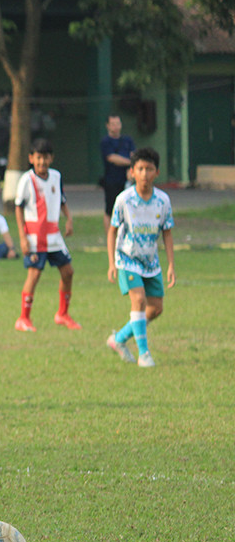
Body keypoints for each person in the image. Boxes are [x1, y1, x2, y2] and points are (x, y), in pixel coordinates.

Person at [105, 147, 175, 368]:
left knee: (155, 308)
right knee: (139, 300)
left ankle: (118, 339)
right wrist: (111, 263)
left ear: (157, 172)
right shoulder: (124, 200)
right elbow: (112, 231)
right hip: (127, 258)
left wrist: (171, 264)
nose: (145, 173)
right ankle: (144, 354)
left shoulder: (163, 201)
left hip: (151, 262)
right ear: (132, 172)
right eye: (140, 169)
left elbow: (167, 232)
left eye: (149, 169)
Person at [13, 138, 80, 332]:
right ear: (31, 158)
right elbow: (18, 208)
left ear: (51, 159)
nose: (42, 162)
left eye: (46, 158)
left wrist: (68, 219)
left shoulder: (56, 177)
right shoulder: (27, 179)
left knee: (68, 272)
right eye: (38, 157)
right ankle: (23, 318)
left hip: (54, 236)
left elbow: (62, 199)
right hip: (35, 236)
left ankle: (63, 314)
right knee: (34, 274)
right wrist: (22, 237)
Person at [100, 115, 136, 234]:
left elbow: (134, 156)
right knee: (110, 210)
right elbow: (112, 158)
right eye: (113, 124)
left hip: (126, 181)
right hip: (111, 181)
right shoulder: (106, 142)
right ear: (108, 126)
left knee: (128, 209)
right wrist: (128, 162)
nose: (116, 127)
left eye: (118, 123)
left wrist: (131, 168)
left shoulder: (127, 140)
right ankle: (110, 238)